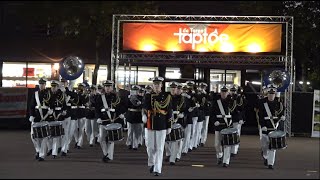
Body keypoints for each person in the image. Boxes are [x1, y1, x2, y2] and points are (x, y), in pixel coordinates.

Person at [142, 77, 173, 176]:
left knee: (159, 148)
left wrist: (169, 125)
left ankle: (157, 168)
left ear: (161, 85)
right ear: (152, 85)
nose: (156, 86)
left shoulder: (167, 96)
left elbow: (169, 111)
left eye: (158, 84)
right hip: (150, 123)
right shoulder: (148, 95)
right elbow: (145, 107)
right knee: (150, 147)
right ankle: (151, 163)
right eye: (155, 84)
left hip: (162, 123)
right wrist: (144, 116)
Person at [95, 80, 125, 162]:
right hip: (103, 120)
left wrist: (121, 114)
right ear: (104, 87)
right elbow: (97, 109)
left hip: (112, 119)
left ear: (112, 87)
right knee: (101, 139)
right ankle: (106, 153)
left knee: (111, 139)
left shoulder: (116, 97)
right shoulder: (100, 97)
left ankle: (109, 156)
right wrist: (98, 117)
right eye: (106, 86)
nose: (108, 88)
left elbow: (119, 107)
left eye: (109, 86)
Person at [257, 84, 285, 169]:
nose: (271, 95)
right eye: (270, 93)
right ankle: (265, 155)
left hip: (274, 127)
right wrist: (262, 126)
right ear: (267, 94)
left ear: (275, 94)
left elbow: (281, 112)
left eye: (273, 94)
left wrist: (283, 116)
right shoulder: (262, 103)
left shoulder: (279, 104)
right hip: (265, 126)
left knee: (273, 146)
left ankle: (270, 163)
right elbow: (260, 115)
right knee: (264, 145)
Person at [29, 78, 52, 161]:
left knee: (45, 137)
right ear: (39, 84)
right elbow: (31, 106)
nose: (41, 85)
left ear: (45, 85)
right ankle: (38, 150)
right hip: (36, 116)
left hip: (45, 116)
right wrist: (31, 115)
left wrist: (51, 111)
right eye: (40, 84)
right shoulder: (35, 94)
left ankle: (42, 155)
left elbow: (52, 103)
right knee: (33, 136)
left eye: (43, 84)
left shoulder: (49, 93)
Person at [211, 85, 234, 167]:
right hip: (218, 124)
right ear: (220, 92)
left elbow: (235, 113)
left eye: (225, 92)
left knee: (227, 144)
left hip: (227, 124)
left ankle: (226, 161)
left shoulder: (231, 101)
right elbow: (212, 113)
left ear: (227, 93)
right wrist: (215, 121)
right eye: (222, 92)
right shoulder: (216, 101)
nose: (224, 93)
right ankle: (220, 155)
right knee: (217, 144)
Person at [229, 85, 246, 156]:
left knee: (236, 133)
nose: (233, 92)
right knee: (229, 133)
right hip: (229, 117)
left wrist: (242, 118)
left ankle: (234, 150)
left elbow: (241, 108)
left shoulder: (239, 98)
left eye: (234, 91)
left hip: (237, 117)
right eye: (232, 90)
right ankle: (230, 148)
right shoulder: (229, 98)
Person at [126, 85, 144, 150]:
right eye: (134, 90)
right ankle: (130, 143)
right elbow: (126, 106)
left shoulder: (142, 98)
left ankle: (135, 144)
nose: (135, 91)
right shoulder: (129, 98)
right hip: (130, 115)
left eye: (136, 90)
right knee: (130, 131)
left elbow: (143, 106)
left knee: (138, 131)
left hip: (138, 115)